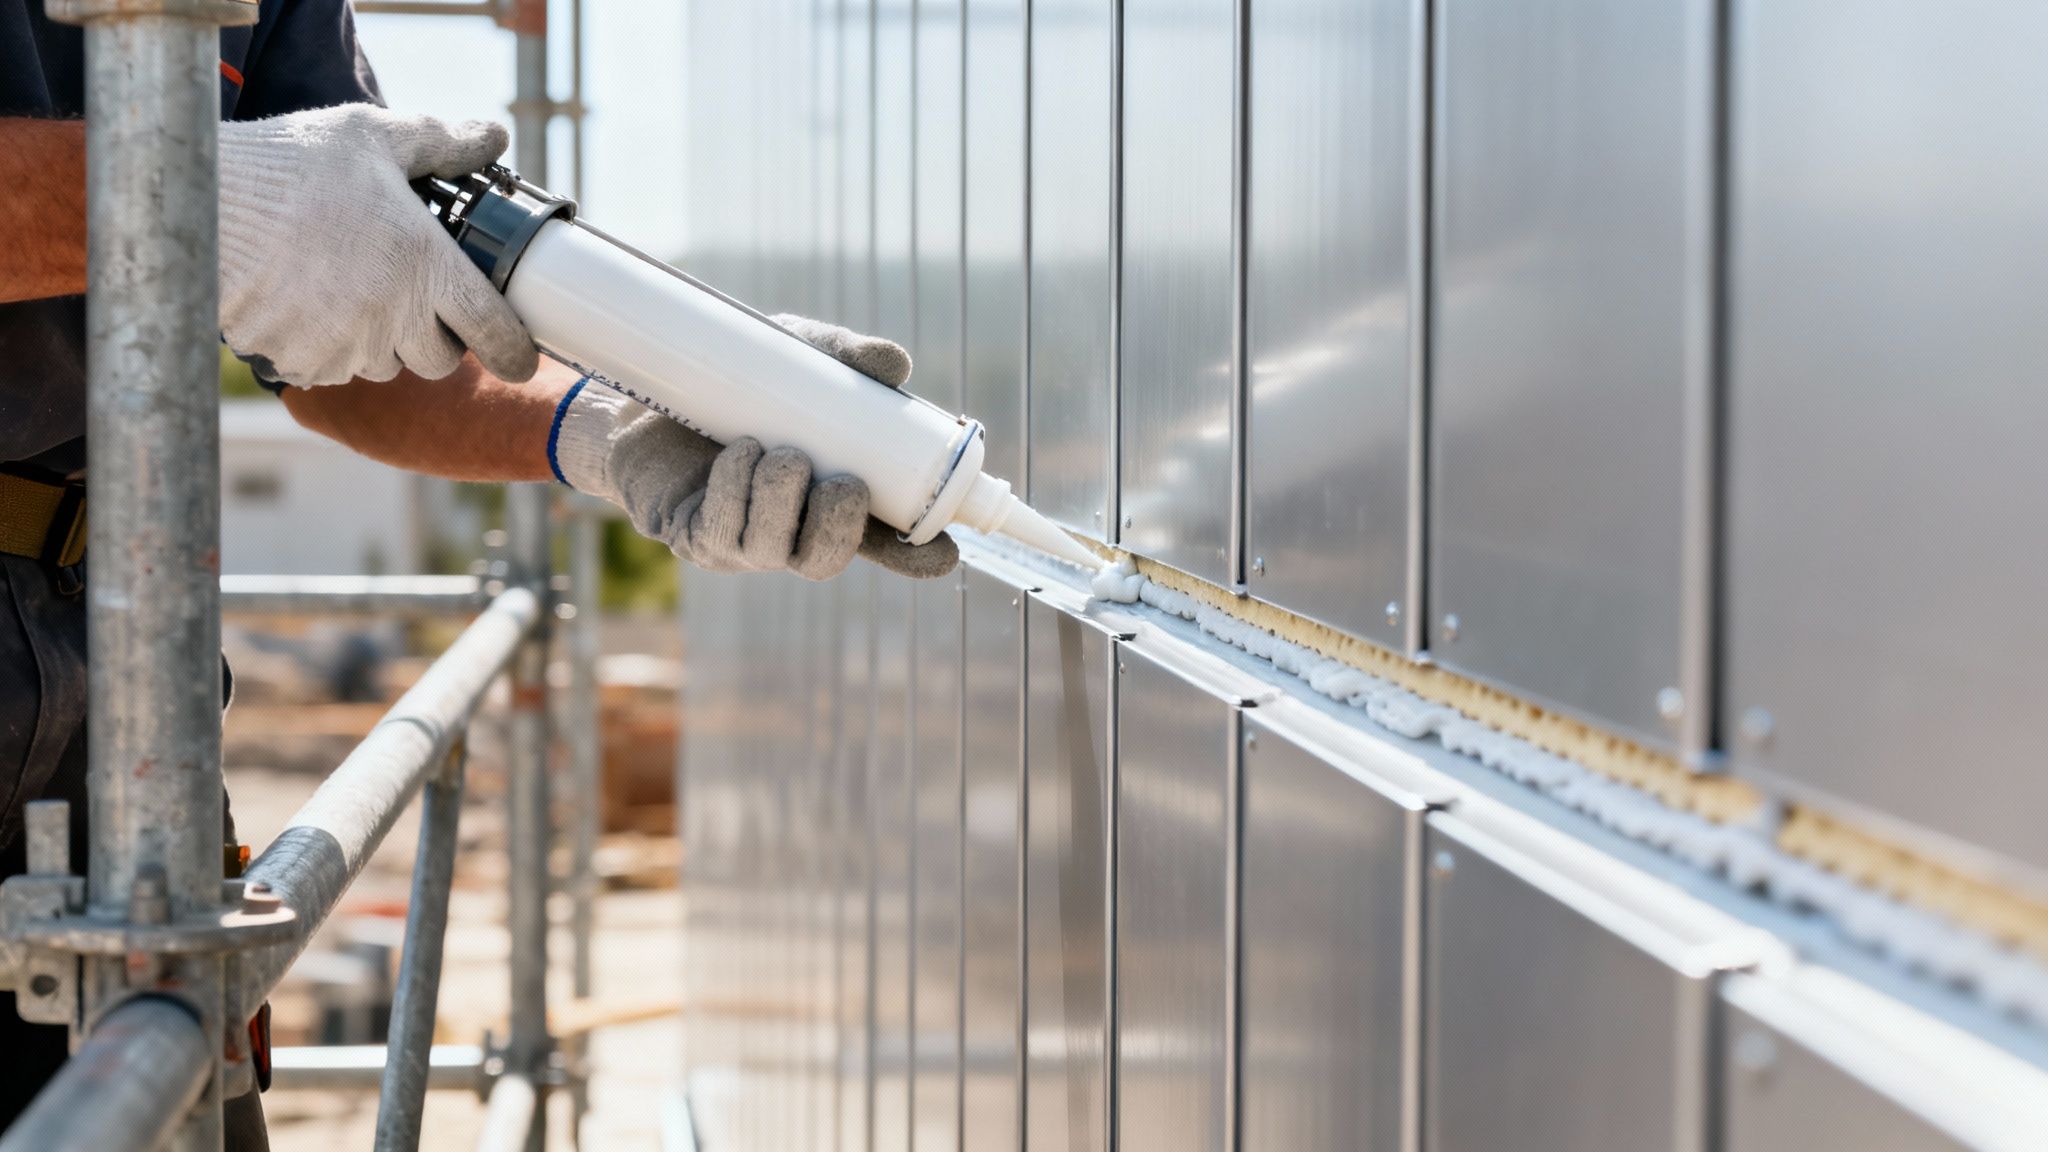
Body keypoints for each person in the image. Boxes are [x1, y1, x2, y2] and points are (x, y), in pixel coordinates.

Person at [1, 0, 952, 1142]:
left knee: (148, 1108)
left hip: (112, 681)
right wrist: (182, 196)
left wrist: (617, 427)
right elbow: (233, 216)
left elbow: (355, 342)